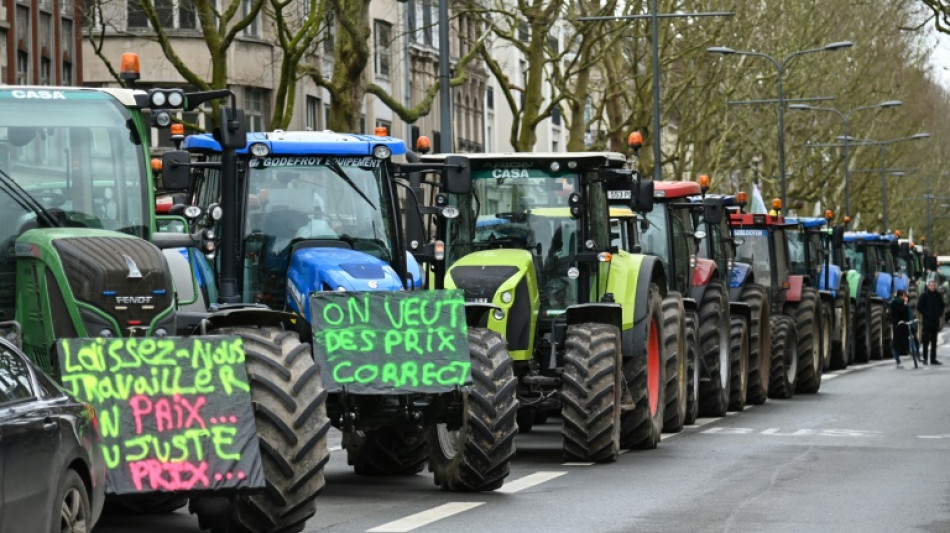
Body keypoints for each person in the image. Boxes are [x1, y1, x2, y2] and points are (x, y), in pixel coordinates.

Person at [916, 277, 945, 365]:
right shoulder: (924, 295)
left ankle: (933, 359)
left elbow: (942, 305)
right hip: (927, 321)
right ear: (928, 286)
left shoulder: (937, 295)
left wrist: (939, 314)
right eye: (931, 285)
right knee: (926, 341)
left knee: (934, 341)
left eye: (934, 285)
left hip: (935, 321)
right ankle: (925, 358)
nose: (932, 287)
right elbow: (919, 307)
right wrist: (926, 314)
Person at [889, 290, 916, 368]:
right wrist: (904, 304)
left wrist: (913, 319)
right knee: (897, 343)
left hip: (906, 324)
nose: (906, 298)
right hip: (898, 325)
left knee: (912, 338)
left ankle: (915, 354)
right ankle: (897, 359)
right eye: (905, 296)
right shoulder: (895, 303)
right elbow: (900, 311)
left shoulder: (905, 303)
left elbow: (909, 313)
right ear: (901, 296)